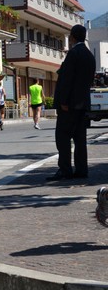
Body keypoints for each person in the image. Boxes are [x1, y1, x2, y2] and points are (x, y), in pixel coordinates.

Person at [46, 24, 96, 181]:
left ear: (72, 37)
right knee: (80, 138)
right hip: (83, 103)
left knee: (63, 136)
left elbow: (67, 79)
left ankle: (65, 169)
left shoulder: (74, 53)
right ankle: (81, 169)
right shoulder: (89, 55)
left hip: (69, 105)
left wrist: (64, 101)